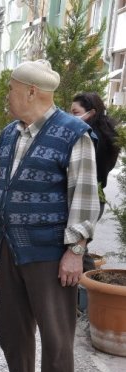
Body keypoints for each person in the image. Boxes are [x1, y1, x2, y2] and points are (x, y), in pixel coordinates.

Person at [0, 60, 100, 372]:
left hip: (50, 251)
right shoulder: (9, 134)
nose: (7, 96)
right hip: (11, 245)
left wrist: (75, 249)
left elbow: (83, 196)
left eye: (11, 88)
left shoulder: (73, 134)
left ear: (32, 92)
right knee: (11, 327)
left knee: (56, 335)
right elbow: (1, 184)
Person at [70, 92, 121, 271]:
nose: (71, 117)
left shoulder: (89, 138)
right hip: (97, 199)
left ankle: (85, 293)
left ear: (91, 113)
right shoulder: (108, 135)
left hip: (85, 199)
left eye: (75, 113)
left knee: (77, 249)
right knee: (79, 248)